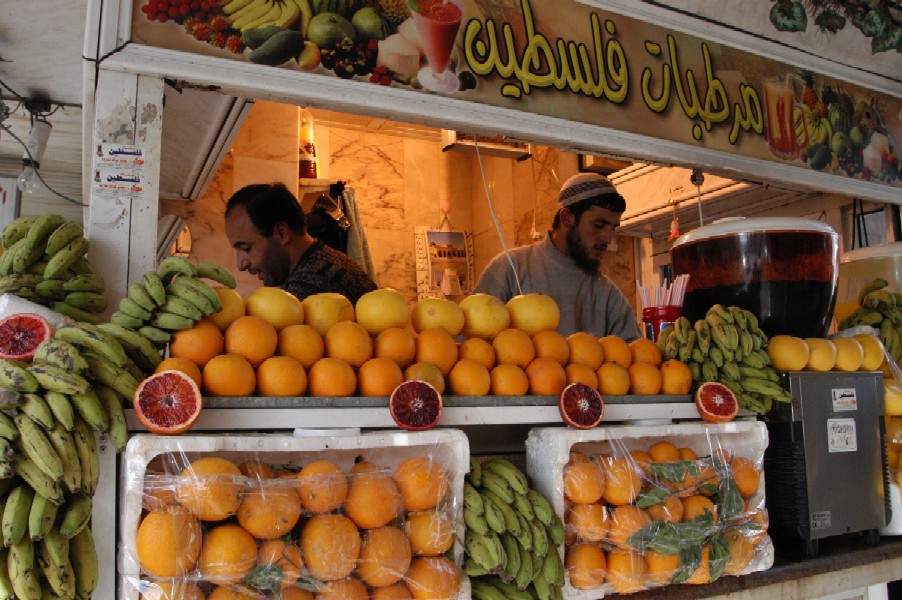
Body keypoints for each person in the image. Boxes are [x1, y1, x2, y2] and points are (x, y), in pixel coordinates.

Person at [474, 172, 641, 340]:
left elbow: (635, 357)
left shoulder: (608, 295)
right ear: (567, 217)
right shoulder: (509, 269)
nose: (608, 238)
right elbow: (470, 347)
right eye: (599, 226)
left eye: (613, 228)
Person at [225, 182, 377, 303]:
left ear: (281, 233)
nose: (241, 265)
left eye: (246, 248)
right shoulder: (324, 263)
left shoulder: (310, 287)